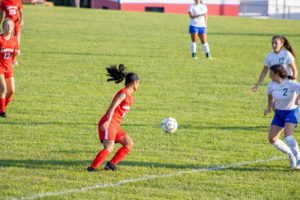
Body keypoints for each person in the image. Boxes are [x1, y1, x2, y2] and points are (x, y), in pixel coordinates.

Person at [87, 64, 139, 172]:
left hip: (115, 125)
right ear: (134, 83)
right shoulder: (123, 93)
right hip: (109, 123)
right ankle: (92, 168)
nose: (139, 85)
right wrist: (107, 121)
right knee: (109, 148)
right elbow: (112, 107)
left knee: (129, 143)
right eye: (138, 82)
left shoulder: (130, 96)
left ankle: (111, 164)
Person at [264, 64, 300, 170]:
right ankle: (291, 154)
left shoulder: (290, 83)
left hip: (291, 112)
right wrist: (268, 108)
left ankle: (298, 159)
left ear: (277, 74)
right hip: (279, 113)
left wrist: (298, 98)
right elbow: (270, 99)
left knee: (288, 136)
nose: (269, 76)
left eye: (271, 74)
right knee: (272, 138)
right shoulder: (271, 85)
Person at [0, 19, 20, 118]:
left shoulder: (15, 39)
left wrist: (15, 54)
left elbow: (14, 53)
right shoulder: (0, 39)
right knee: (3, 89)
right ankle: (2, 112)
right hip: (0, 68)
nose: (9, 27)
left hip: (9, 68)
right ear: (3, 27)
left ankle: (1, 108)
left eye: (11, 26)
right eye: (7, 25)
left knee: (11, 91)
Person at [0, 0, 23, 65]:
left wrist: (22, 21)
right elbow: (1, 13)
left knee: (17, 42)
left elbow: (21, 12)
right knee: (9, 42)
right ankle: (6, 58)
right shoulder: (4, 1)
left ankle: (14, 59)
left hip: (16, 24)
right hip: (7, 25)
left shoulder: (18, 1)